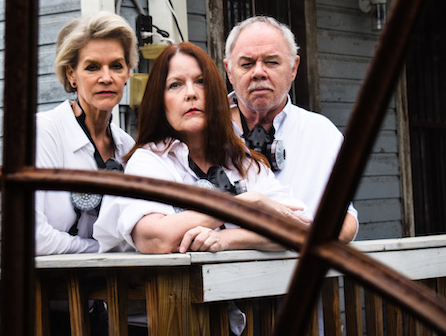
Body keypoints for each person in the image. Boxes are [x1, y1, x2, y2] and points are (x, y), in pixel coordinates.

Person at [93, 42, 308, 255]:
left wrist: (227, 239)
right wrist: (246, 203)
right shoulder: (149, 161)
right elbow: (155, 239)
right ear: (159, 101)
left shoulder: (243, 161)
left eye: (201, 82)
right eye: (175, 84)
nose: (191, 93)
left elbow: (300, 230)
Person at [224, 16, 359, 242]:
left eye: (271, 62)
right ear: (229, 70)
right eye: (247, 63)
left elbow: (346, 220)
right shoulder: (200, 133)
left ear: (293, 67)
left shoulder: (323, 134)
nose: (258, 72)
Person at [35, 11, 138, 256]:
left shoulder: (126, 146)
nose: (106, 78)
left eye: (116, 66)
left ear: (128, 73)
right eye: (92, 67)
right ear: (71, 75)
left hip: (114, 290)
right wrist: (102, 251)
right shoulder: (44, 132)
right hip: (52, 290)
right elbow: (34, 238)